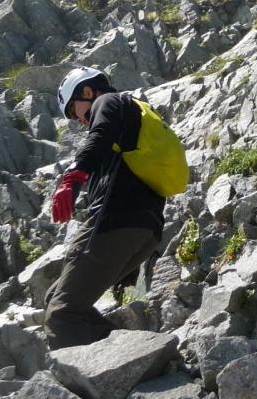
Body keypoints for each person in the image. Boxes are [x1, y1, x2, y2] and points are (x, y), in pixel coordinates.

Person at [43, 66, 168, 349]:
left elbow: (99, 134)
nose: (78, 119)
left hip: (115, 222)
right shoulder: (131, 115)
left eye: (74, 109)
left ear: (87, 91)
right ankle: (132, 356)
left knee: (62, 316)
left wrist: (72, 177)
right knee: (56, 297)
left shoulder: (107, 102)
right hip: (146, 230)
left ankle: (103, 369)